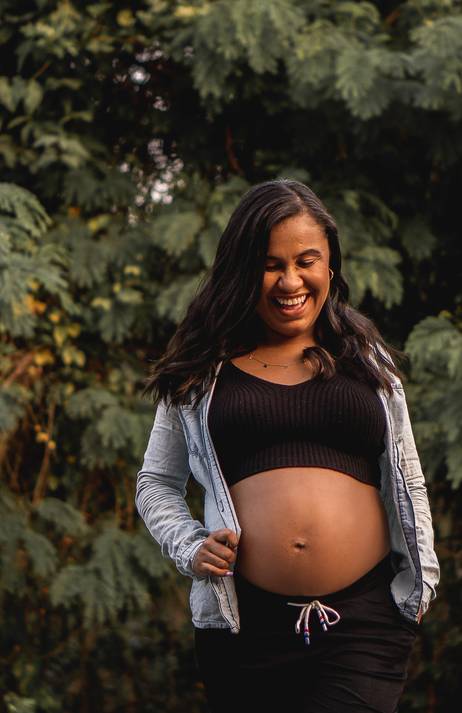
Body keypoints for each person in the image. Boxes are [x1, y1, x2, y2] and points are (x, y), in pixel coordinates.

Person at [135, 180, 439, 713]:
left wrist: (423, 586)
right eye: (270, 264)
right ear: (241, 269)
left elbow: (407, 475)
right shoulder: (202, 370)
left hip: (363, 624)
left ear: (330, 267)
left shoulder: (366, 361)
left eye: (307, 261)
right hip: (244, 630)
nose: (290, 280)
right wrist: (189, 546)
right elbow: (156, 483)